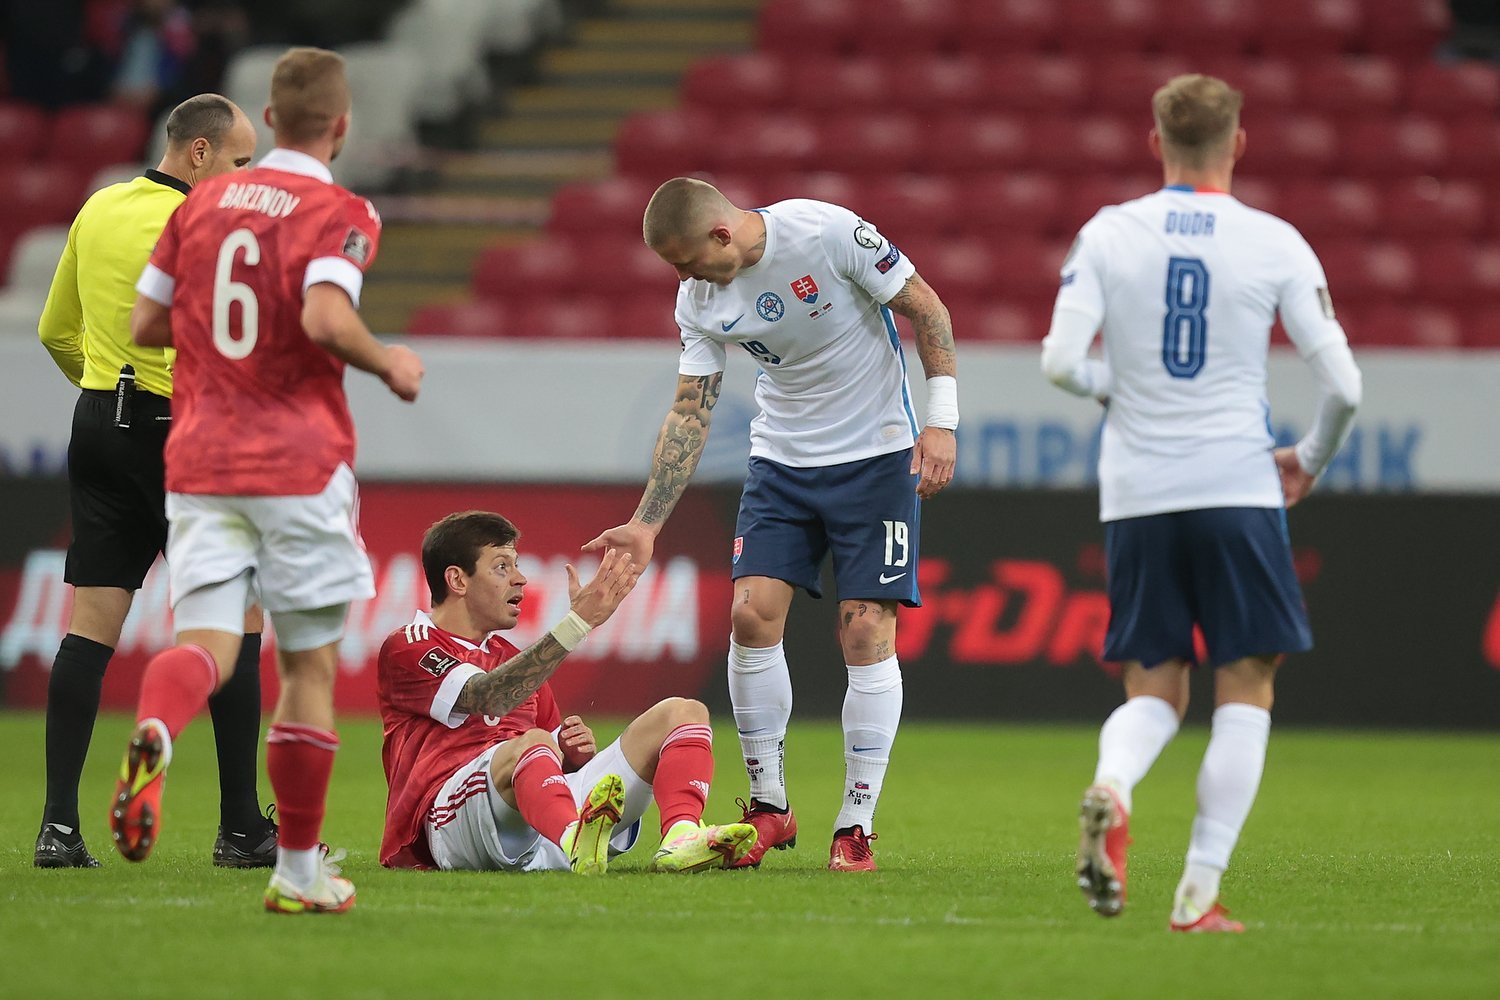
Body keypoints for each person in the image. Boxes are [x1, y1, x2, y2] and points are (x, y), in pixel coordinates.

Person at [108, 47, 425, 917]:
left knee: (208, 645)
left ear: (272, 120)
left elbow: (143, 320)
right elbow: (326, 315)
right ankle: (295, 871)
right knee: (308, 673)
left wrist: (216, 337)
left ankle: (154, 733)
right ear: (343, 126)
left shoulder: (202, 202)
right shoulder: (341, 209)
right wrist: (386, 359)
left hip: (201, 459)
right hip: (297, 463)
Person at [1041, 74, 1362, 932]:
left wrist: (1128, 389)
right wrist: (1311, 460)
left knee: (1152, 684)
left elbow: (1063, 363)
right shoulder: (1276, 242)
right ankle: (1197, 892)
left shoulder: (1109, 233)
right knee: (1248, 684)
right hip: (1237, 483)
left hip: (1138, 492)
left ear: (1156, 144)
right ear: (1239, 143)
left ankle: (1113, 785)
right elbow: (1345, 384)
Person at [585, 178, 960, 872]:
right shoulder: (697, 299)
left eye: (687, 260)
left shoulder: (826, 233)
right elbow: (692, 409)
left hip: (875, 455)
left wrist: (941, 423)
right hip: (781, 462)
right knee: (751, 617)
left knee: (864, 628)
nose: (684, 277)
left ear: (722, 234)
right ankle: (768, 806)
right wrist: (645, 523)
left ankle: (856, 822)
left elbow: (927, 310)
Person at [34, 93, 270, 870]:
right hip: (185, 431)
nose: (246, 178)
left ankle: (58, 828)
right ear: (198, 154)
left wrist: (106, 387)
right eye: (238, 162)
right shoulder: (212, 228)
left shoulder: (98, 207)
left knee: (89, 625)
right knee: (233, 624)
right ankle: (240, 828)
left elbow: (52, 329)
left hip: (99, 424)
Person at [379, 510, 759, 875]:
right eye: (502, 566)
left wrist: (572, 754)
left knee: (683, 712)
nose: (520, 579)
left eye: (517, 564)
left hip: (536, 828)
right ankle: (575, 837)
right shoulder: (410, 646)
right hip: (447, 824)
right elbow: (487, 697)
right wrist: (578, 623)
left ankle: (680, 835)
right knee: (532, 742)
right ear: (458, 580)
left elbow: (548, 755)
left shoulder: (513, 660)